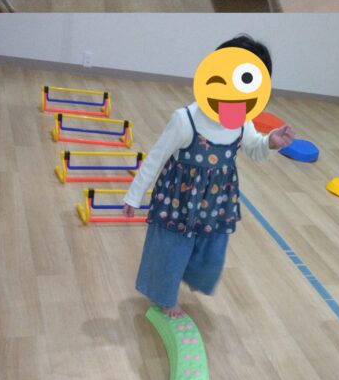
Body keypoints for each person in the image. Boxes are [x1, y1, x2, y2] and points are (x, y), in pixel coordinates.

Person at [122, 35, 295, 318]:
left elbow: (254, 148)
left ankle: (186, 276)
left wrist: (270, 143)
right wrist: (134, 194)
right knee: (170, 250)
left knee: (210, 251)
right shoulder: (185, 119)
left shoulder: (242, 120)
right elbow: (156, 157)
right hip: (178, 199)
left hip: (215, 200)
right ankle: (166, 297)